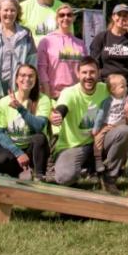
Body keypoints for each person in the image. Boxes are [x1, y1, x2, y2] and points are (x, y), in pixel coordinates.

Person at [50, 58, 122, 187]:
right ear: (77, 74)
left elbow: (121, 96)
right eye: (84, 72)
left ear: (99, 73)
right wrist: (58, 115)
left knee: (124, 132)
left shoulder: (105, 89)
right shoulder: (69, 93)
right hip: (73, 146)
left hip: (98, 141)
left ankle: (110, 176)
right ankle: (86, 168)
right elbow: (62, 107)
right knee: (64, 178)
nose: (88, 76)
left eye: (92, 72)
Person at [0, 63, 51, 181]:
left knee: (39, 138)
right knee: (0, 159)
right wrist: (18, 153)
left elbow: (39, 126)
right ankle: (17, 173)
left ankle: (39, 175)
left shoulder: (43, 99)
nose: (27, 79)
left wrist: (21, 109)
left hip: (32, 148)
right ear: (16, 79)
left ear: (35, 80)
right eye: (23, 75)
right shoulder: (4, 101)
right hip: (15, 148)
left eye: (31, 76)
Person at [91, 75, 128, 193]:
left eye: (126, 86)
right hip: (107, 126)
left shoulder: (125, 100)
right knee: (98, 140)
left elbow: (127, 120)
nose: (126, 88)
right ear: (112, 90)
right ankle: (98, 160)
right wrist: (96, 128)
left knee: (126, 132)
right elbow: (101, 115)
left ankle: (111, 174)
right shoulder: (108, 101)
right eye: (122, 87)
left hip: (119, 127)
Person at [92, 4, 128, 101]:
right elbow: (94, 64)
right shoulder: (102, 37)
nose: (122, 18)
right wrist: (99, 85)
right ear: (113, 16)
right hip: (105, 87)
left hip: (127, 89)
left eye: (125, 15)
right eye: (119, 15)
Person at [36, 4, 86, 98]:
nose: (65, 17)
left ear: (73, 18)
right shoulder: (46, 41)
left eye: (69, 15)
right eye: (62, 15)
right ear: (57, 19)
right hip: (54, 95)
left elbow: (84, 70)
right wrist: (47, 96)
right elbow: (41, 70)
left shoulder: (80, 44)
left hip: (76, 95)